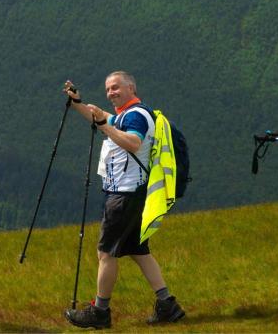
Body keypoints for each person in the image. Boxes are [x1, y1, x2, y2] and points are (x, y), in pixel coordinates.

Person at [60, 73, 185, 329]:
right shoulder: (131, 113)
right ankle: (167, 305)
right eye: (108, 89)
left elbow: (132, 142)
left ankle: (100, 312)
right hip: (136, 193)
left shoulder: (136, 116)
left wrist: (105, 126)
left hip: (124, 195)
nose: (111, 92)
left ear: (131, 87)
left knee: (105, 253)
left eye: (115, 87)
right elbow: (103, 117)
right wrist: (79, 105)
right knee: (139, 251)